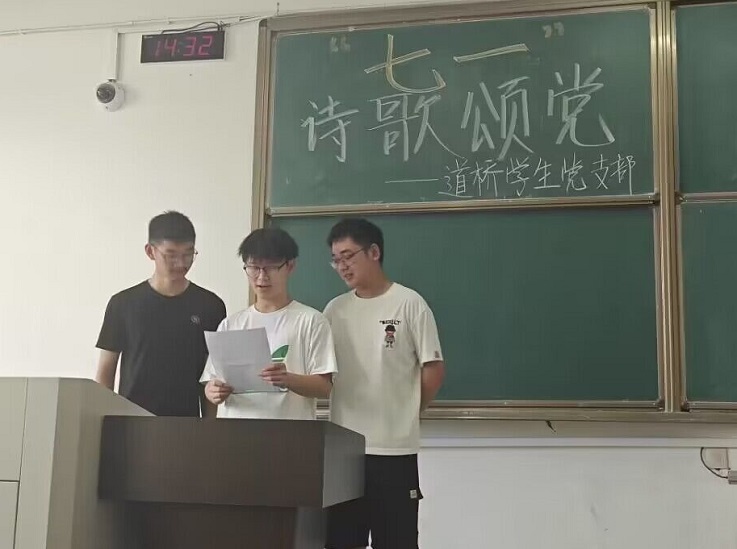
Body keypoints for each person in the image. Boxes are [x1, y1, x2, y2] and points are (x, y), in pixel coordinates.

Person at [324, 217, 445, 549]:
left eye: (348, 256)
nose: (342, 266)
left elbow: (433, 368)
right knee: (340, 541)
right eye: (335, 259)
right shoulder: (335, 310)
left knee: (396, 541)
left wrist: (407, 410)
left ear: (374, 252)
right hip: (344, 451)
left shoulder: (409, 303)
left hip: (394, 451)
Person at [95, 210, 226, 417]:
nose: (181, 263)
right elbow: (106, 371)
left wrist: (210, 426)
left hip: (187, 423)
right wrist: (104, 419)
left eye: (188, 254)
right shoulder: (123, 304)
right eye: (171, 255)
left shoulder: (210, 305)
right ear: (150, 251)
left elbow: (212, 373)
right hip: (132, 421)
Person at [201, 227, 336, 419]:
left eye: (271, 268)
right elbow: (212, 382)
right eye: (254, 268)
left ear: (290, 266)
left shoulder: (311, 321)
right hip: (235, 431)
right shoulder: (230, 324)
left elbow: (324, 387)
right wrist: (213, 391)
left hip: (289, 432)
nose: (261, 277)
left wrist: (287, 379)